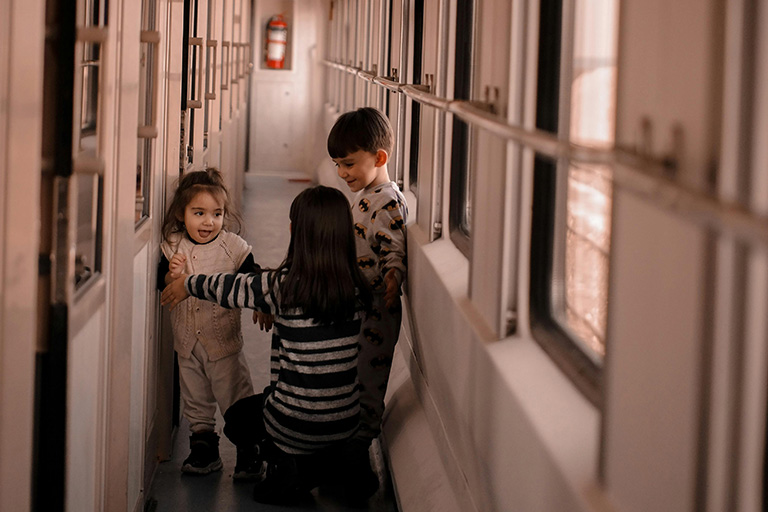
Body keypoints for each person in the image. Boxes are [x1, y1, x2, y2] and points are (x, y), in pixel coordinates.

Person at [161, 186, 374, 503]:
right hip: (346, 422)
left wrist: (186, 283)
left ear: (295, 232)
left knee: (237, 420)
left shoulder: (282, 286)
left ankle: (288, 463)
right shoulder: (358, 287)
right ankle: (336, 463)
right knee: (324, 418)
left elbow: (231, 286)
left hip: (292, 423)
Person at [158, 168, 261, 478]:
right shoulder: (173, 246)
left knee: (235, 396)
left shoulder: (234, 247)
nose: (208, 222)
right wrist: (172, 274)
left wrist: (262, 305)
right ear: (181, 212)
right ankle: (204, 446)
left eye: (216, 214)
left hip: (224, 343)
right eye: (199, 213)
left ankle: (249, 448)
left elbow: (253, 280)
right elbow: (161, 286)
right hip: (187, 343)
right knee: (196, 399)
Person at [327, 107, 408, 485]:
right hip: (359, 303)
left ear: (379, 158)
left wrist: (393, 276)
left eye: (349, 164)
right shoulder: (369, 194)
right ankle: (347, 443)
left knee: (368, 377)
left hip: (378, 308)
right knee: (352, 372)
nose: (343, 174)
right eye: (337, 166)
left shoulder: (386, 200)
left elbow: (394, 245)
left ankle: (358, 451)